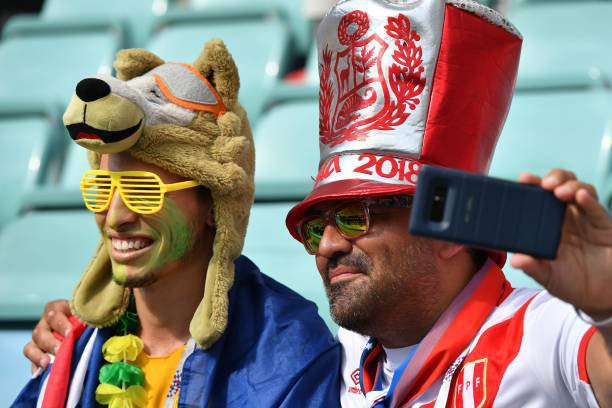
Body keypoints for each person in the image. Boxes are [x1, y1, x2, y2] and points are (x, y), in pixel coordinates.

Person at [23, 0, 612, 407]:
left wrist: (606, 306)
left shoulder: (541, 333)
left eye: (356, 218)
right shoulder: (345, 356)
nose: (327, 245)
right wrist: (76, 331)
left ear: (451, 227)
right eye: (316, 226)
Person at [13, 39, 340, 407]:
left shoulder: (288, 355)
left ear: (216, 204)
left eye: (143, 190)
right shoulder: (75, 346)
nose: (116, 217)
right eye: (102, 189)